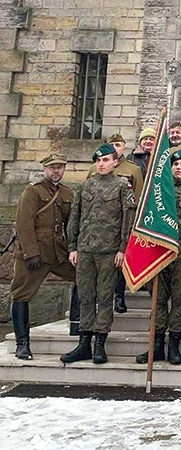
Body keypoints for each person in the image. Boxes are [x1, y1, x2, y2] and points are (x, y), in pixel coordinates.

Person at [61, 144, 136, 364]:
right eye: (99, 160)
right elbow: (75, 216)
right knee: (86, 297)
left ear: (115, 162)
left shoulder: (123, 186)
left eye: (106, 160)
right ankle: (84, 342)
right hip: (85, 250)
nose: (102, 164)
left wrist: (123, 249)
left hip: (109, 252)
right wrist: (73, 246)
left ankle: (99, 345)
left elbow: (127, 221)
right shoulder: (86, 186)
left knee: (104, 298)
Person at [135, 150, 181, 365]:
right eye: (175, 164)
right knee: (157, 300)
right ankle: (156, 346)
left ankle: (174, 346)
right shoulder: (158, 192)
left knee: (178, 300)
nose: (178, 168)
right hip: (159, 253)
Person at [9, 153, 76, 360]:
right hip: (34, 252)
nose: (56, 171)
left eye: (60, 167)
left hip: (58, 251)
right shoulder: (33, 191)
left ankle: (77, 324)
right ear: (45, 169)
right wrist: (30, 253)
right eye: (52, 167)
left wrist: (74, 248)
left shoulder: (66, 193)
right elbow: (24, 223)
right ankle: (22, 344)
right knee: (21, 294)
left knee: (83, 276)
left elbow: (70, 224)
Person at [87, 133, 143, 314]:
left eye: (119, 145)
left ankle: (119, 296)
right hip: (96, 228)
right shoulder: (94, 169)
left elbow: (138, 196)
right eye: (112, 144)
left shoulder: (133, 169)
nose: (116, 147)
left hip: (122, 222)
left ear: (123, 148)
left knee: (119, 265)